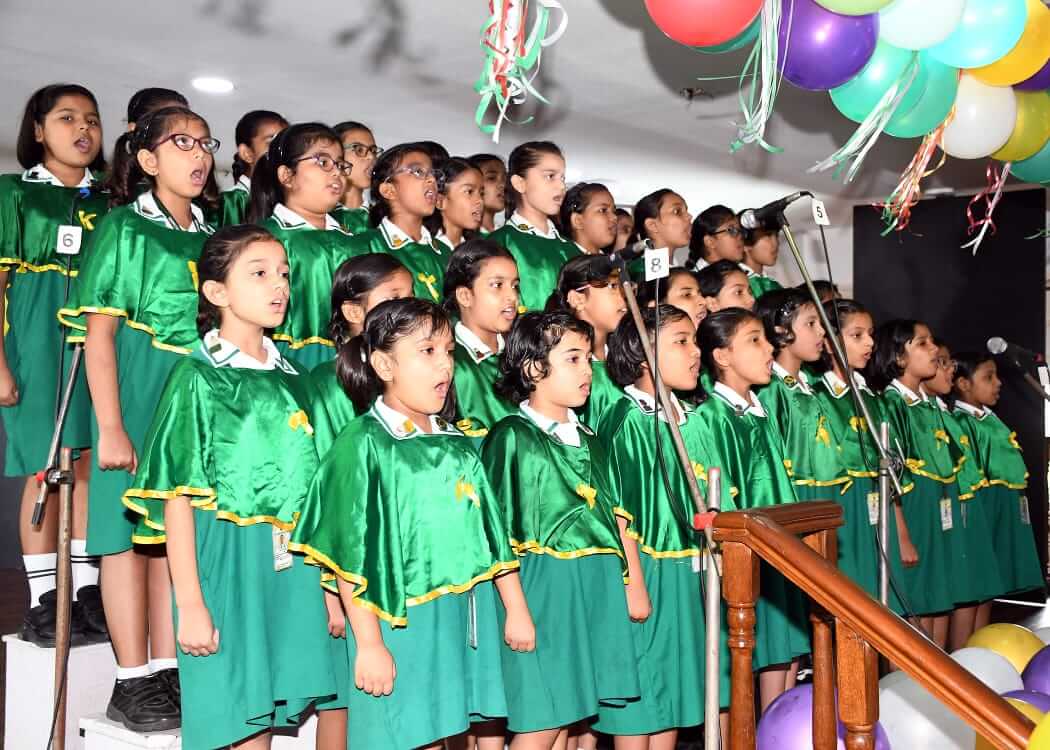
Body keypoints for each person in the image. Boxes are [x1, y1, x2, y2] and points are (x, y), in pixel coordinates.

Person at [122, 225, 337, 748]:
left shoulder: (296, 378)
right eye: (259, 273)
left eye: (283, 273)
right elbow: (177, 497)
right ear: (216, 292)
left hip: (289, 563)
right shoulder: (198, 377)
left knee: (264, 714)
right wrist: (192, 603)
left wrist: (328, 590)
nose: (278, 285)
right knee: (232, 715)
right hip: (225, 560)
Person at [291, 298, 533, 750]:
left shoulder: (457, 444)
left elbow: (491, 537)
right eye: (427, 351)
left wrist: (515, 609)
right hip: (397, 622)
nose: (444, 364)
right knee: (401, 733)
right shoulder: (363, 443)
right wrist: (369, 643)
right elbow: (350, 557)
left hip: (457, 614)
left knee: (446, 730)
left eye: (448, 351)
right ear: (384, 364)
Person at [59, 104, 221, 731]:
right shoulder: (125, 227)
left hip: (194, 400)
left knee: (169, 537)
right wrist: (110, 425)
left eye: (204, 143)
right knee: (123, 539)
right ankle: (129, 680)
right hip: (138, 392)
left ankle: (167, 667)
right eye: (182, 143)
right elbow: (97, 335)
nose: (199, 154)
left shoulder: (214, 237)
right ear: (148, 159)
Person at [482, 311, 640, 749]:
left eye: (589, 359)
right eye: (572, 359)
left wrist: (631, 583)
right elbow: (495, 533)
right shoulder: (512, 437)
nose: (587, 370)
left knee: (571, 716)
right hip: (543, 589)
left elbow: (615, 517)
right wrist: (515, 609)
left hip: (592, 585)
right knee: (543, 719)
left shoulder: (591, 439)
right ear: (534, 368)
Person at [2, 83, 110, 648]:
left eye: (91, 119)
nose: (83, 129)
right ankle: (45, 598)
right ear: (39, 130)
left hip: (96, 345)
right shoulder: (14, 193)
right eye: (67, 118)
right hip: (37, 337)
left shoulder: (112, 204)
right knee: (46, 465)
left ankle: (87, 591)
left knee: (88, 464)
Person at [595, 304, 731, 746]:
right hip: (649, 571)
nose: (695, 352)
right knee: (645, 690)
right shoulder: (626, 421)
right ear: (641, 354)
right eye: (681, 342)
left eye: (694, 341)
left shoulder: (695, 419)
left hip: (694, 570)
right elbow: (616, 511)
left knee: (673, 695)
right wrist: (634, 582)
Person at [695, 309, 809, 712]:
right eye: (754, 340)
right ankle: (763, 730)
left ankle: (778, 726)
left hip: (781, 544)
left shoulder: (760, 410)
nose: (769, 349)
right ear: (722, 356)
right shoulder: (714, 416)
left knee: (786, 650)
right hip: (753, 551)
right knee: (763, 652)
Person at [868, 320, 959, 647]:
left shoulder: (928, 404)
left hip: (934, 506)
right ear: (899, 357)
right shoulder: (892, 403)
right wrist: (902, 534)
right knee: (914, 601)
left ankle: (936, 671)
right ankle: (908, 674)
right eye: (922, 343)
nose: (934, 349)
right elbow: (891, 473)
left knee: (937, 598)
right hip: (911, 507)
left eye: (932, 341)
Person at [249, 122, 358, 369]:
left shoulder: (355, 241)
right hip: (288, 362)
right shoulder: (265, 239)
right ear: (287, 175)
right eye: (323, 162)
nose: (337, 172)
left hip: (351, 365)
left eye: (340, 164)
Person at [922, 341, 1002, 650]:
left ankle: (971, 659)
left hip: (971, 506)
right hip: (950, 508)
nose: (948, 369)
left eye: (947, 362)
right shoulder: (951, 417)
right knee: (957, 590)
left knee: (979, 587)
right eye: (942, 362)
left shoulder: (950, 416)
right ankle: (955, 661)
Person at [952, 352, 1045, 602]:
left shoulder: (990, 418)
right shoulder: (963, 422)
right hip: (985, 505)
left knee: (992, 585)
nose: (998, 383)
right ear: (964, 383)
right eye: (989, 377)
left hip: (1004, 504)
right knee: (979, 583)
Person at [345, 142, 448, 302]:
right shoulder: (363, 247)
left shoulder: (445, 253)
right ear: (388, 190)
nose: (432, 180)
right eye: (418, 171)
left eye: (434, 174)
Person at [486, 141, 578, 312]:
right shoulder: (498, 244)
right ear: (520, 183)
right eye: (550, 176)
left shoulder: (572, 249)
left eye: (562, 178)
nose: (561, 186)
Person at [443, 239, 520, 438]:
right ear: (465, 296)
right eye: (497, 285)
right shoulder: (448, 362)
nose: (512, 296)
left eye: (515, 286)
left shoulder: (525, 353)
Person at [545, 255, 627, 430]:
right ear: (578, 299)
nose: (624, 294)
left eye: (624, 286)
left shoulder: (626, 359)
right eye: (613, 286)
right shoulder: (565, 366)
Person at [217, 109, 287, 226]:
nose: (280, 150)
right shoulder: (232, 200)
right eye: (272, 142)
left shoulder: (285, 199)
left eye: (286, 144)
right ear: (247, 153)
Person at [333, 120, 381, 235]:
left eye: (373, 151)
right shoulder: (319, 216)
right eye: (359, 150)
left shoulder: (383, 220)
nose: (371, 157)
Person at [435, 157, 485, 252]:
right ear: (440, 201)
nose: (480, 201)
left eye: (482, 193)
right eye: (469, 191)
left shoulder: (479, 250)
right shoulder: (425, 251)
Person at [559, 182, 617, 255]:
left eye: (614, 211)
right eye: (603, 210)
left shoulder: (611, 261)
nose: (614, 217)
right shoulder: (562, 259)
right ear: (578, 221)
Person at [687, 205, 744, 270]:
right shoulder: (696, 276)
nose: (740, 236)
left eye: (740, 230)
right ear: (710, 242)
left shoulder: (746, 272)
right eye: (731, 230)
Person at [740, 214, 783, 299]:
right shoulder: (741, 286)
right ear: (745, 244)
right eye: (768, 235)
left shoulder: (772, 284)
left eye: (776, 235)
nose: (776, 243)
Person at [468, 153, 506, 234]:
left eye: (505, 179)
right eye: (491, 178)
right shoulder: (459, 237)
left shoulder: (508, 236)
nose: (503, 185)